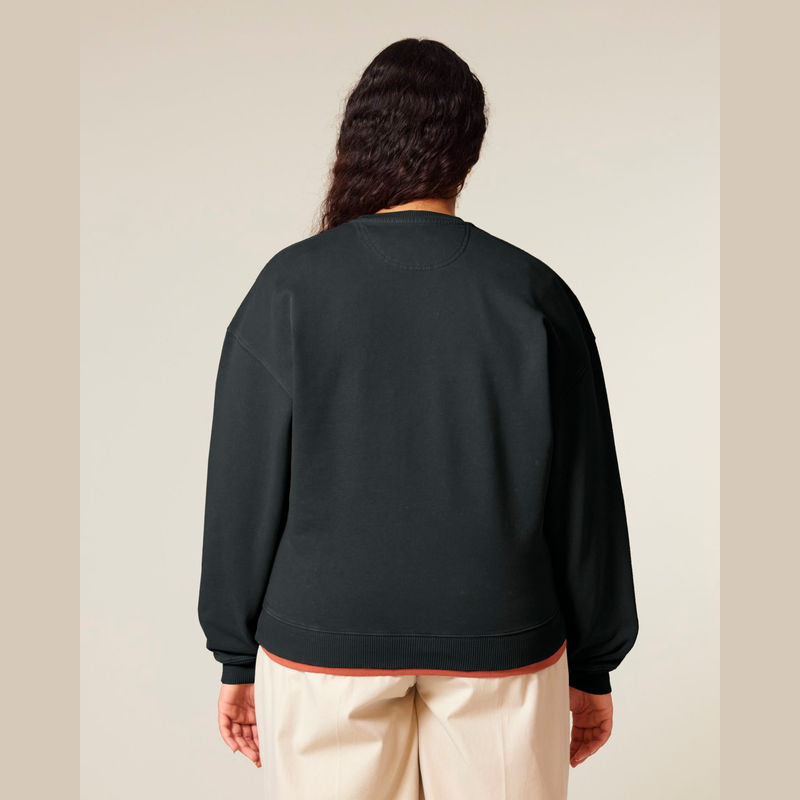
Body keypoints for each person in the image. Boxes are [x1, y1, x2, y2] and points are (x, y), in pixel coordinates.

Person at [197, 37, 638, 800]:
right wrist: (593, 664)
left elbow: (243, 487)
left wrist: (236, 656)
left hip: (323, 644)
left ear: (360, 138)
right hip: (501, 638)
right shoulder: (533, 293)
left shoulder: (289, 289)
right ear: (469, 149)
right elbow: (585, 500)